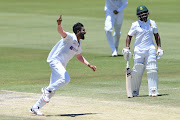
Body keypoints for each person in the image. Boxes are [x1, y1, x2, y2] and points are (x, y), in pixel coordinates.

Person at [30, 15, 97, 116]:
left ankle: (35, 107)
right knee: (66, 79)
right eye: (83, 30)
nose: (85, 32)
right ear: (78, 31)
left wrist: (89, 65)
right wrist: (59, 24)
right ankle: (46, 89)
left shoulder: (79, 44)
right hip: (55, 61)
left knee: (52, 92)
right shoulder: (70, 37)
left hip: (61, 65)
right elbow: (61, 32)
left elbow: (79, 57)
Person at [122, 5, 163, 97]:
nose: (143, 15)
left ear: (147, 13)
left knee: (152, 68)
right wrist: (127, 48)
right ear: (138, 15)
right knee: (137, 70)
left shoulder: (152, 23)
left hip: (150, 49)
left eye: (144, 13)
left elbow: (156, 35)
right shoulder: (135, 24)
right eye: (140, 14)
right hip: (139, 49)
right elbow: (129, 36)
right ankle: (135, 91)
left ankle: (153, 90)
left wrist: (159, 47)